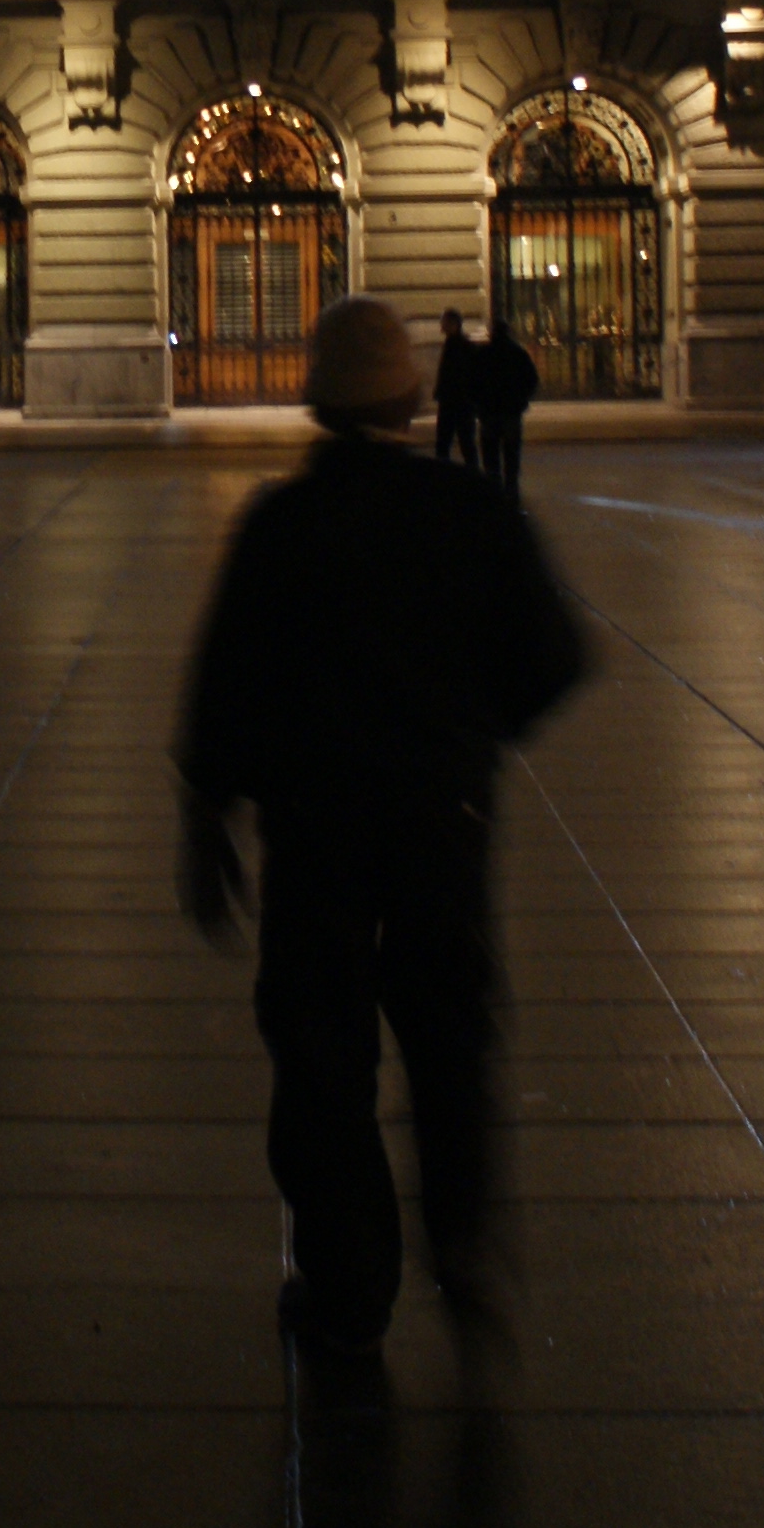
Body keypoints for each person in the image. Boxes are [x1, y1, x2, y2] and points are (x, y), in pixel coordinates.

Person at [174, 293, 585, 1356]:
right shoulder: (471, 511)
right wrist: (474, 734)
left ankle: (348, 1284)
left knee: (321, 1058)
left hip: (315, 835)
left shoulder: (279, 524)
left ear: (318, 405)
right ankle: (466, 1246)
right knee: (450, 1043)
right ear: (409, 401)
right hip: (441, 824)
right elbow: (557, 656)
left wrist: (208, 813)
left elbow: (223, 687)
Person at [474, 316, 540, 497]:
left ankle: (494, 489)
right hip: (511, 411)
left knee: (490, 454)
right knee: (511, 454)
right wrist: (522, 401)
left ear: (492, 333)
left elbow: (472, 381)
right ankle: (511, 490)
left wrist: (478, 404)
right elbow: (531, 380)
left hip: (489, 411)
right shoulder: (518, 353)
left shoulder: (483, 354)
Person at [431, 308, 482, 465]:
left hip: (456, 402)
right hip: (460, 402)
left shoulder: (458, 346)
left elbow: (453, 374)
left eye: (444, 322)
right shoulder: (458, 345)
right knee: (463, 442)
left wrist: (442, 391)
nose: (441, 325)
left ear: (454, 324)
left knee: (449, 442)